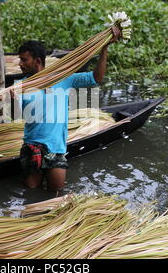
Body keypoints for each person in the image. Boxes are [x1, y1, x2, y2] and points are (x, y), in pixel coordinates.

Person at [13, 27, 121, 192]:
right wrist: (8, 102)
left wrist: (104, 49)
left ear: (37, 61)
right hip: (32, 147)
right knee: (30, 192)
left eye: (24, 60)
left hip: (55, 148)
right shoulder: (20, 86)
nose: (20, 64)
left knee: (56, 193)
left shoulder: (63, 79)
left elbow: (96, 78)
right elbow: (13, 115)